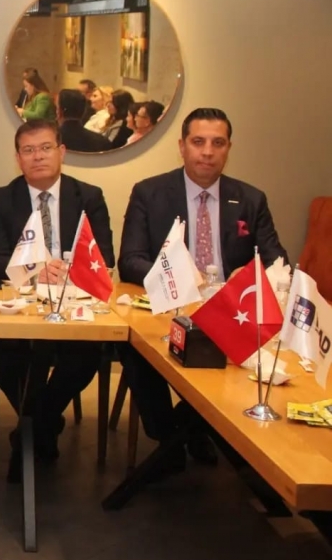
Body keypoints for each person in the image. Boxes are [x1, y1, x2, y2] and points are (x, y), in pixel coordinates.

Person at [118, 107, 288, 477]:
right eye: (198, 142)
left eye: (217, 143)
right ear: (182, 146)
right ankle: (171, 438)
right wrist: (180, 278)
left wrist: (251, 276)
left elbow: (277, 261)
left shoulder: (250, 199)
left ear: (228, 148)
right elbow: (130, 261)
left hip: (231, 312)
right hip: (172, 306)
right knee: (135, 351)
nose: (207, 152)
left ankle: (203, 429)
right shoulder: (150, 193)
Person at [0, 120, 114, 474]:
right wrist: (33, 270)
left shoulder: (88, 197)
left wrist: (70, 271)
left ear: (61, 152)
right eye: (28, 150)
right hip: (22, 303)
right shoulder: (1, 198)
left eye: (45, 148)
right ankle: (44, 426)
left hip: (73, 303)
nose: (37, 156)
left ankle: (34, 425)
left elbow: (104, 256)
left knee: (85, 353)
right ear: (18, 158)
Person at [56, 89, 112, 153]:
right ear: (83, 111)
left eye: (56, 107)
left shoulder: (52, 142)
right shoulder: (102, 143)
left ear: (59, 112)